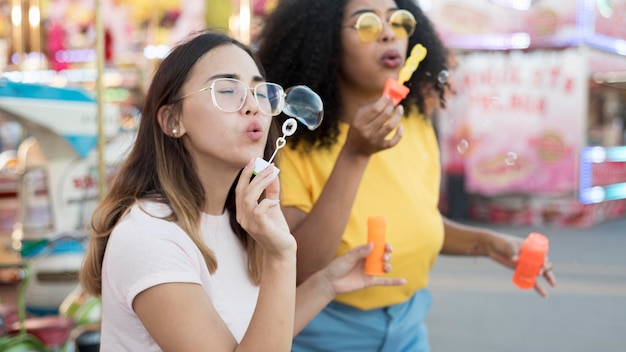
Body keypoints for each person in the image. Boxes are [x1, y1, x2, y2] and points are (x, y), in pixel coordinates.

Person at [256, 0, 557, 351]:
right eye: (366, 24)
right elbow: (302, 267)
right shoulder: (291, 141)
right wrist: (354, 155)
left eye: (399, 21)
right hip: (321, 329)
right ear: (322, 41)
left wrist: (486, 243)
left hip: (409, 327)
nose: (389, 33)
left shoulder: (413, 122)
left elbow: (416, 220)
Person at [79, 30, 405, 351]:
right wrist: (281, 257)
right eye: (227, 89)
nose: (253, 106)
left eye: (261, 93)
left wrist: (326, 283)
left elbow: (257, 338)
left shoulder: (236, 220)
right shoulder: (150, 238)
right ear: (172, 119)